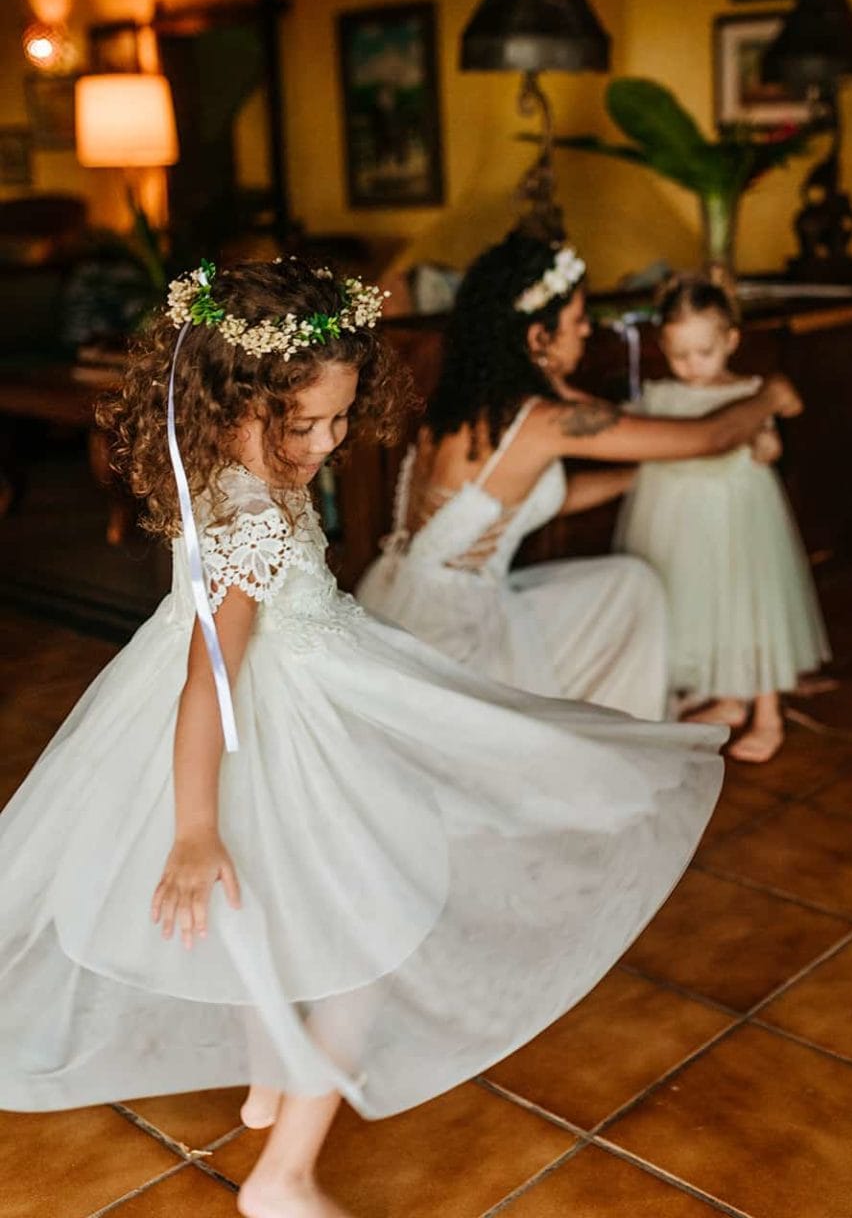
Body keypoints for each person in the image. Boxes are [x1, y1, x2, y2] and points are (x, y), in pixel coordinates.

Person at [0, 256, 739, 1218]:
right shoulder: (253, 518)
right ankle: (284, 1176)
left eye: (341, 419)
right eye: (303, 424)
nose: (326, 442)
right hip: (273, 721)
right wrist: (194, 828)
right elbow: (209, 674)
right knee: (378, 930)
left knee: (270, 908)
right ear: (234, 402)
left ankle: (271, 1081)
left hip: (290, 705)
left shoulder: (234, 469)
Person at [358, 232, 803, 721]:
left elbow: (545, 498)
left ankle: (643, 711)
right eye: (578, 320)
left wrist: (647, 472)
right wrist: (771, 395)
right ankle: (631, 725)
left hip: (401, 599)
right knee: (631, 591)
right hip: (450, 635)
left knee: (628, 583)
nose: (588, 330)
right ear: (538, 337)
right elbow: (710, 437)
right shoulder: (543, 421)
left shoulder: (471, 404)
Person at [616, 276, 830, 763]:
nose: (692, 365)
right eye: (679, 354)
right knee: (703, 604)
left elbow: (771, 445)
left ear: (731, 340)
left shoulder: (749, 392)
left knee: (749, 606)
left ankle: (768, 714)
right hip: (679, 521)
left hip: (737, 518)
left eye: (704, 352)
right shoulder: (661, 395)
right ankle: (729, 697)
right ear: (662, 346)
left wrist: (764, 441)